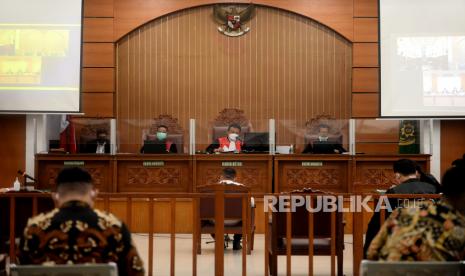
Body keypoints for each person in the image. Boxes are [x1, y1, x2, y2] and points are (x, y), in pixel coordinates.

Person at [18, 167, 144, 275]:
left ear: (55, 196)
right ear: (94, 194)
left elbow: (18, 270)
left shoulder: (34, 228)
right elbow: (136, 271)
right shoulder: (114, 227)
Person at [367, 156, 465, 261]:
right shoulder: (454, 222)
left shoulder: (396, 204)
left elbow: (375, 227)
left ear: (397, 175)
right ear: (416, 172)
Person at [363, 159, 438, 257]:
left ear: (397, 175)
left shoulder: (393, 192)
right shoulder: (433, 188)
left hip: (401, 237)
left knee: (374, 224)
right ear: (415, 172)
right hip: (430, 235)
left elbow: (377, 221)